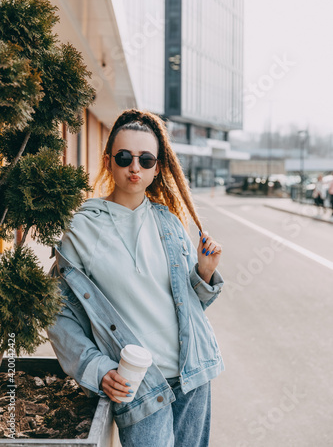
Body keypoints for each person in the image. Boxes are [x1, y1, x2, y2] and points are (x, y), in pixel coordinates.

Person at [47, 109, 224, 447]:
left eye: (146, 160)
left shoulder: (170, 223)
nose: (134, 167)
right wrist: (98, 370)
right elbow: (56, 313)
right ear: (109, 160)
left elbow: (191, 305)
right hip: (140, 385)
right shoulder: (81, 228)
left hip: (193, 374)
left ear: (157, 168)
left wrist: (203, 271)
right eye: (125, 157)